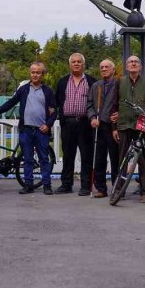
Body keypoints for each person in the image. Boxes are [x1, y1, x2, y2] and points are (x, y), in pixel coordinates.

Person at [0, 62, 57, 195]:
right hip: (26, 130)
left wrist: (48, 124)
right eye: (33, 72)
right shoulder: (23, 89)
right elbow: (11, 102)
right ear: (30, 73)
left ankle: (47, 185)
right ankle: (28, 184)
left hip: (41, 131)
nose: (35, 74)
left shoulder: (48, 91)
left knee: (44, 158)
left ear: (42, 74)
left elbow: (54, 111)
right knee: (27, 158)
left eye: (38, 72)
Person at [114, 55, 145, 203]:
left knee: (143, 160)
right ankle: (120, 190)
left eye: (136, 62)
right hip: (124, 124)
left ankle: (144, 192)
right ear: (126, 66)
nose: (133, 64)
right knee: (123, 159)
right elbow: (115, 105)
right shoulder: (120, 82)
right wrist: (114, 127)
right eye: (130, 62)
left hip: (141, 126)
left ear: (140, 66)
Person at [55, 53, 97, 195]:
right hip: (68, 123)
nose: (76, 64)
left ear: (83, 64)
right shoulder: (63, 82)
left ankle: (86, 186)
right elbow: (58, 102)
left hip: (85, 123)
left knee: (86, 155)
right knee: (67, 155)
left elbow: (97, 103)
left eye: (79, 62)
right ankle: (66, 184)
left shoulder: (92, 82)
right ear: (70, 65)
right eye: (74, 62)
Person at [86, 59, 119, 198]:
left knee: (115, 158)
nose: (104, 69)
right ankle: (101, 188)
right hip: (98, 127)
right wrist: (92, 117)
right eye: (102, 67)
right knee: (99, 158)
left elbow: (123, 104)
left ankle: (117, 188)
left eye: (107, 67)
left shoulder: (119, 84)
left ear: (113, 69)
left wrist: (120, 115)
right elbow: (90, 104)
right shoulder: (96, 86)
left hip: (113, 127)